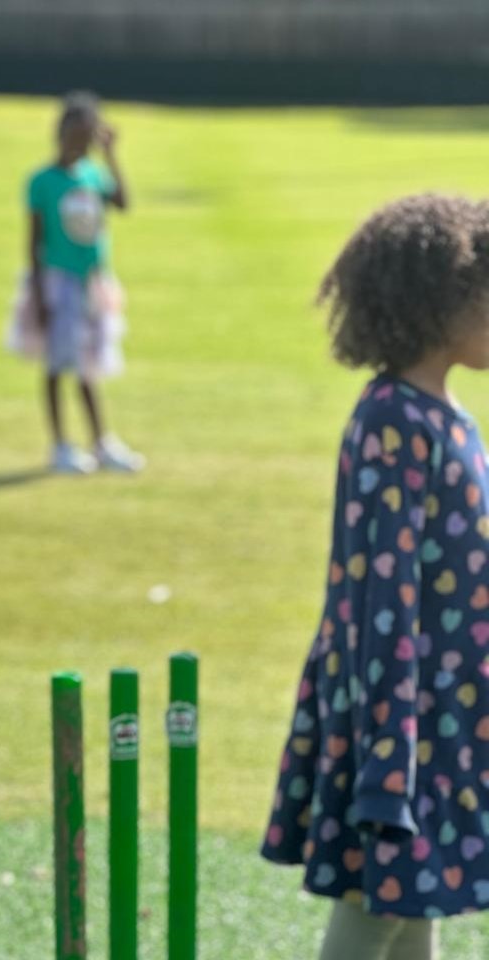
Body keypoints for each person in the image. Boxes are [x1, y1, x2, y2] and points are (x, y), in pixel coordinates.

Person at [261, 194, 489, 960]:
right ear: (436, 300)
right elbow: (379, 602)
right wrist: (389, 760)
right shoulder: (393, 420)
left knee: (413, 898)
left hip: (448, 711)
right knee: (378, 901)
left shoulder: (452, 417)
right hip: (400, 718)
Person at [12, 91, 143, 474]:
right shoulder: (42, 181)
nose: (83, 142)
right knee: (57, 363)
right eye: (79, 133)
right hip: (57, 280)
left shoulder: (93, 174)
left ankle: (101, 442)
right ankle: (60, 446)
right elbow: (33, 242)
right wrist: (38, 294)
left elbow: (122, 203)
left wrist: (111, 155)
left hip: (93, 281)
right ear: (62, 132)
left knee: (89, 364)